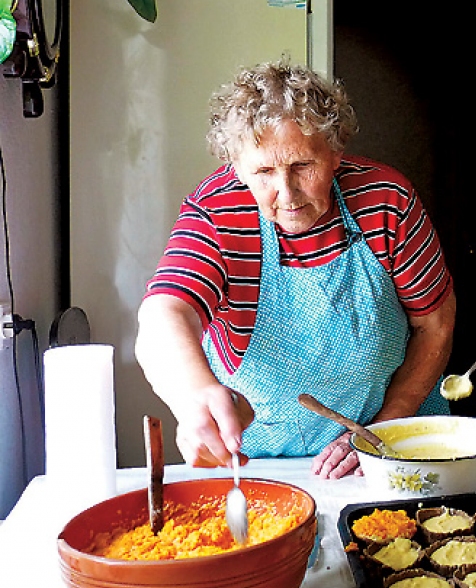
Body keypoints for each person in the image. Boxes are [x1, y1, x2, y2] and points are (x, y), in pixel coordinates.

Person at [135, 60, 456, 479]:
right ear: (237, 167)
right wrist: (193, 396)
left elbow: (435, 326)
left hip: (390, 442)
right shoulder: (217, 211)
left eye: (303, 166)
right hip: (260, 462)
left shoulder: (384, 200)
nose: (286, 193)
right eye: (263, 172)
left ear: (336, 153)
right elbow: (164, 315)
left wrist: (381, 432)